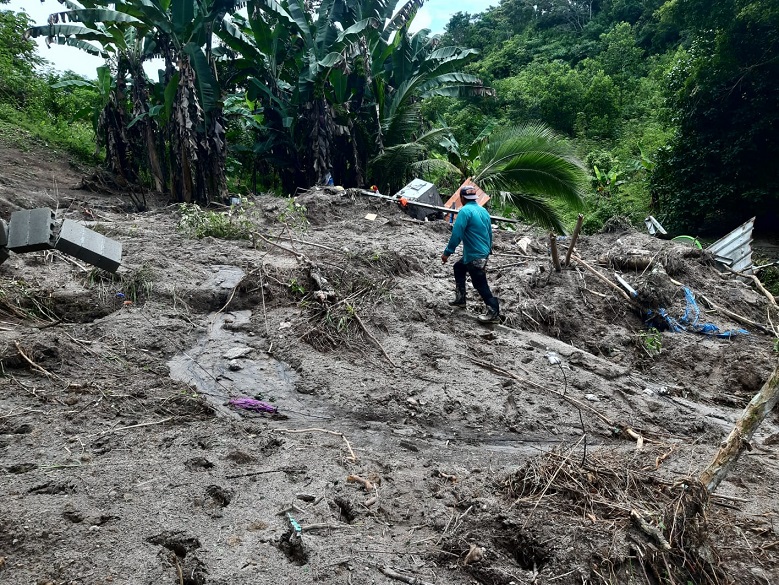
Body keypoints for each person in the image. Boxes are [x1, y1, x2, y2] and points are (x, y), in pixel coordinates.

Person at [441, 185, 500, 323]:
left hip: (475, 254)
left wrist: (447, 253)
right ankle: (460, 299)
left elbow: (456, 234)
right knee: (459, 267)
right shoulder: (483, 211)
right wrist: (488, 250)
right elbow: (489, 233)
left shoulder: (464, 211)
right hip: (480, 253)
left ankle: (493, 312)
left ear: (462, 198)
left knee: (480, 283)